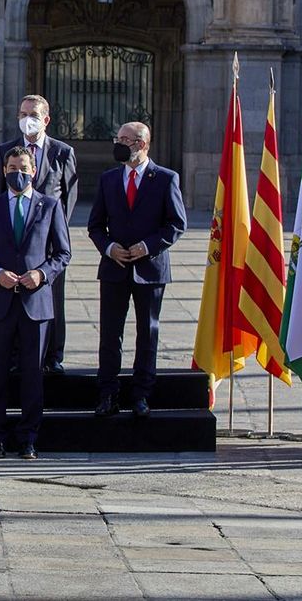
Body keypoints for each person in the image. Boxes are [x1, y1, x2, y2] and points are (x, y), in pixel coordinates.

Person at [0, 146, 73, 460]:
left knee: (32, 374)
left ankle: (28, 437)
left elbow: (62, 253)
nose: (18, 172)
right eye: (13, 166)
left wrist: (42, 274)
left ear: (34, 168)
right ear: (4, 170)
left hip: (35, 304)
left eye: (24, 166)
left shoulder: (50, 206)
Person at [87, 121, 187, 419]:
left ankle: (141, 394)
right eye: (117, 138)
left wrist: (149, 246)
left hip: (150, 269)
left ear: (142, 144)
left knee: (148, 333)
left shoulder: (166, 179)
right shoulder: (108, 179)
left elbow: (176, 224)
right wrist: (108, 247)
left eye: (126, 140)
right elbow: (95, 225)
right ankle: (108, 394)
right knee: (110, 335)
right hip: (114, 268)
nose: (119, 144)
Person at [0, 94, 78, 373]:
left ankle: (54, 355)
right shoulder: (6, 149)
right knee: (16, 296)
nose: (26, 119)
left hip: (50, 239)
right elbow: (0, 193)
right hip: (16, 237)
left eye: (32, 114)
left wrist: (56, 232)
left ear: (46, 119)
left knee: (54, 296)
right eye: (22, 113)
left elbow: (69, 195)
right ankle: (17, 355)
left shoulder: (62, 152)